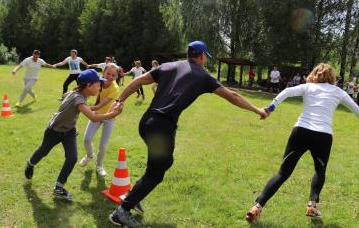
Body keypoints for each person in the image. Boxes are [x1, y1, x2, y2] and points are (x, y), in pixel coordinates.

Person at [108, 41, 267, 227]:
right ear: (201, 56)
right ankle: (122, 210)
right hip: (162, 127)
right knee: (156, 173)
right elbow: (233, 95)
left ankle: (133, 196)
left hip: (147, 122)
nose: (205, 59)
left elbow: (137, 81)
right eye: (206, 56)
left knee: (165, 162)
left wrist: (120, 100)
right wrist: (257, 109)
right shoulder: (202, 76)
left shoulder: (167, 66)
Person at [245, 63, 359, 224]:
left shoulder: (308, 87)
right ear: (332, 77)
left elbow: (286, 91)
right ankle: (312, 205)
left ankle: (256, 207)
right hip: (323, 135)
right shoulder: (338, 92)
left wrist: (271, 107)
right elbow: (357, 110)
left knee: (283, 173)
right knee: (320, 170)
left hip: (301, 131)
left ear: (315, 74)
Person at [24, 69, 123, 200]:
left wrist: (68, 96)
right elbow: (93, 118)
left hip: (69, 131)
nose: (100, 87)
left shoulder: (79, 94)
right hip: (54, 131)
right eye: (98, 84)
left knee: (72, 158)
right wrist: (114, 114)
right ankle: (30, 164)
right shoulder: (78, 98)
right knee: (43, 151)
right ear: (88, 86)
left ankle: (59, 187)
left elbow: (71, 96)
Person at [79, 64, 120, 177]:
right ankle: (89, 155)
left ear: (116, 76)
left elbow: (99, 106)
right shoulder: (98, 82)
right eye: (108, 74)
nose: (110, 76)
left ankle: (99, 166)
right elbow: (87, 91)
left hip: (109, 117)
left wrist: (81, 106)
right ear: (103, 73)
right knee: (87, 139)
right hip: (96, 115)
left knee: (103, 146)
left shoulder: (115, 88)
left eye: (114, 75)